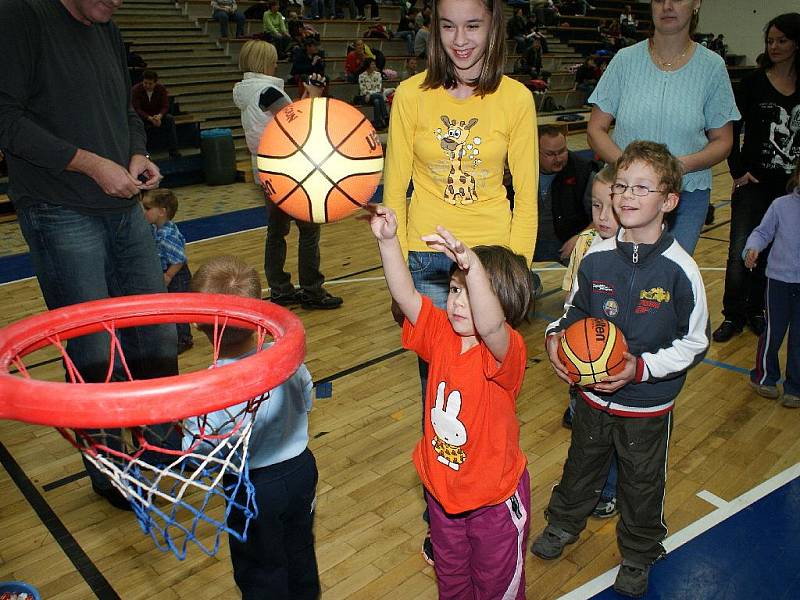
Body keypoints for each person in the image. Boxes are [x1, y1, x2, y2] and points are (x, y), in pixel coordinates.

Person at [0, 0, 178, 509]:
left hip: (123, 209)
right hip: (59, 210)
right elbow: (5, 119)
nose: (116, 2)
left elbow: (124, 111)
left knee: (157, 334)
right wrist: (88, 164)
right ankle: (110, 469)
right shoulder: (19, 17)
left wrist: (136, 149)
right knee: (95, 353)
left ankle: (162, 450)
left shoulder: (105, 23)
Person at [382, 0, 538, 565]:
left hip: (490, 263)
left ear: (494, 24)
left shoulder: (517, 99)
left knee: (489, 393)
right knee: (440, 393)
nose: (460, 40)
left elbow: (525, 195)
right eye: (448, 26)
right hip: (426, 265)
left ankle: (494, 503)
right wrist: (395, 266)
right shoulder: (410, 95)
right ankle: (443, 516)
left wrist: (510, 277)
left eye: (473, 25)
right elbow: (395, 188)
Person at [530, 141, 709, 598]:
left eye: (642, 188)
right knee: (581, 464)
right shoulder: (596, 257)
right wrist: (555, 338)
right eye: (622, 186)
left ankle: (639, 551)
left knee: (641, 480)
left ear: (669, 202)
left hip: (648, 404)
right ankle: (563, 522)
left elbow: (694, 342)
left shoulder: (680, 270)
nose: (626, 196)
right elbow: (570, 314)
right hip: (591, 395)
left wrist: (642, 369)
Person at [365, 205, 533, 599]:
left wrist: (473, 267)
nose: (458, 302)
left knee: (496, 587)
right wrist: (389, 242)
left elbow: (490, 324)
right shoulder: (442, 334)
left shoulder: (506, 351)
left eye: (470, 294)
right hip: (442, 493)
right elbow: (406, 294)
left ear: (500, 303)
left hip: (493, 500)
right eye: (455, 290)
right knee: (452, 580)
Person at [186, 255, 320, 600]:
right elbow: (307, 399)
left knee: (260, 566)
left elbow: (197, 451)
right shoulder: (287, 358)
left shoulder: (209, 388)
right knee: (300, 548)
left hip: (251, 485)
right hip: (301, 470)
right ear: (260, 311)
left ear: (198, 326)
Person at [587, 0, 739, 256]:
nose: (667, 6)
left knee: (664, 283)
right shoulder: (624, 61)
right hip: (624, 196)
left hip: (686, 196)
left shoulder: (712, 68)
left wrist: (677, 167)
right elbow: (595, 129)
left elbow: (723, 141)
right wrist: (629, 170)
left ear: (696, 4)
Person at [233, 40, 343, 310]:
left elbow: (286, 117)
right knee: (308, 231)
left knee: (277, 231)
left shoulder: (244, 91)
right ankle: (312, 290)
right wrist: (314, 95)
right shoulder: (268, 91)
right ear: (264, 62)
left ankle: (281, 289)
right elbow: (299, 123)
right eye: (272, 58)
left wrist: (308, 94)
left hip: (266, 169)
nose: (276, 62)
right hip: (289, 169)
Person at [713, 12, 800, 343]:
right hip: (753, 182)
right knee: (741, 248)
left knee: (775, 252)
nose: (774, 46)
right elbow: (731, 129)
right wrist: (737, 169)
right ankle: (733, 314)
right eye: (770, 40)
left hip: (790, 189)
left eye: (782, 40)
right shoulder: (752, 83)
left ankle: (757, 310)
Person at [559, 164, 620, 519]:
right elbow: (569, 299)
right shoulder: (584, 243)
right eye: (596, 206)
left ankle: (609, 489)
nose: (603, 216)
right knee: (584, 434)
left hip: (612, 366)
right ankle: (584, 487)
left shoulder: (632, 252)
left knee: (610, 435)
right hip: (579, 363)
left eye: (611, 207)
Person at [743, 161, 800, 409]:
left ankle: (795, 386)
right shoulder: (781, 205)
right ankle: (764, 377)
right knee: (773, 332)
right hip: (778, 281)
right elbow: (762, 233)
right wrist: (752, 248)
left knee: (799, 337)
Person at [530, 125, 594, 264]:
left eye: (562, 151)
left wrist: (581, 237)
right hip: (528, 244)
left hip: (568, 245)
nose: (558, 158)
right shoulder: (517, 170)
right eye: (550, 154)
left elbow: (603, 215)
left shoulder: (583, 171)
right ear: (534, 151)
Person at [142, 189, 193, 354]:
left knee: (178, 308)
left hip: (177, 274)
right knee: (170, 306)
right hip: (166, 271)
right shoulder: (154, 228)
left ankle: (184, 339)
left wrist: (169, 275)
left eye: (147, 208)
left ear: (162, 212)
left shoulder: (168, 234)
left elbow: (179, 259)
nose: (144, 212)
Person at [131, 70, 181, 159]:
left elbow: (165, 106)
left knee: (170, 119)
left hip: (157, 116)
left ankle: (174, 151)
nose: (147, 86)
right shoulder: (136, 90)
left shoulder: (161, 89)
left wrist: (159, 116)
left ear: (155, 83)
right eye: (145, 83)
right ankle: (144, 154)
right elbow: (137, 108)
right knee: (137, 122)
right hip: (143, 116)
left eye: (150, 84)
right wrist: (149, 118)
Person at [358, 58, 390, 130]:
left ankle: (377, 124)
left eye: (374, 64)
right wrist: (369, 94)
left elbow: (378, 88)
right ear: (368, 65)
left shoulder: (378, 75)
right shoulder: (361, 76)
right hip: (365, 97)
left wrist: (370, 94)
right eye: (372, 64)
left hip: (374, 96)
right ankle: (385, 117)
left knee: (377, 101)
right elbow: (363, 90)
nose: (374, 65)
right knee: (378, 96)